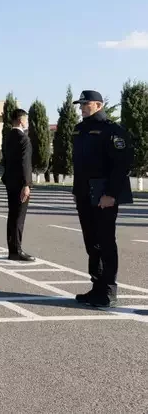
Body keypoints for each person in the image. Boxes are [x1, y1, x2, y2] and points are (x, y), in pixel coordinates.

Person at [72, 90, 134, 308]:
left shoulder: (112, 130)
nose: (81, 108)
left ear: (98, 105)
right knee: (92, 242)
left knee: (106, 242)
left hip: (103, 193)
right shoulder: (79, 130)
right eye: (80, 104)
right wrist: (76, 191)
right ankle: (96, 286)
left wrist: (112, 194)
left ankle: (108, 290)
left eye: (85, 104)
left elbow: (121, 165)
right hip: (83, 192)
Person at [1, 108, 35, 261]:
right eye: (26, 119)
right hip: (21, 184)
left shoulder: (8, 137)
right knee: (19, 217)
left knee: (12, 215)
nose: (27, 122)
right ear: (21, 120)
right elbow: (25, 163)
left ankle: (12, 249)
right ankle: (16, 250)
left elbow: (5, 161)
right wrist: (27, 184)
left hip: (10, 182)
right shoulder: (23, 139)